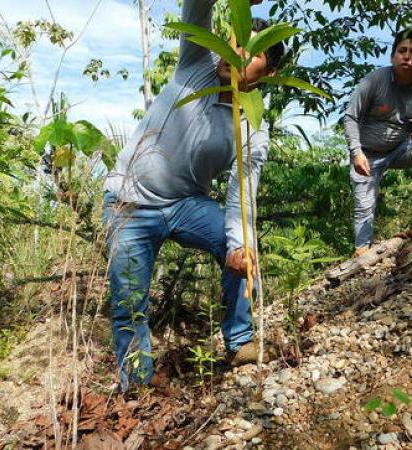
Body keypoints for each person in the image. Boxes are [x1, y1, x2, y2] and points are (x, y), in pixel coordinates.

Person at [102, 0, 281, 390]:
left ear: (270, 72)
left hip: (186, 204)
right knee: (129, 304)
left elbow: (241, 194)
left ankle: (239, 341)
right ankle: (137, 387)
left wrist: (240, 245)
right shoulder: (196, 65)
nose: (236, 55)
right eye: (235, 43)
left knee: (240, 250)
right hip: (127, 203)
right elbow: (196, 8)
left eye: (252, 52)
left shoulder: (253, 127)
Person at [343, 29, 412, 257]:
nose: (406, 56)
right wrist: (356, 152)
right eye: (401, 51)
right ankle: (362, 253)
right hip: (367, 157)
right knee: (363, 207)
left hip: (403, 151)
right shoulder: (374, 80)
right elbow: (350, 117)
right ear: (392, 56)